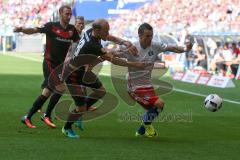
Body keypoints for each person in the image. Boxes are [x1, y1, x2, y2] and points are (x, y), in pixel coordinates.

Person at [61, 19, 144, 138]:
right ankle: (66, 128)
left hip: (84, 71)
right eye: (105, 31)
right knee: (81, 107)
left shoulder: (91, 32)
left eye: (108, 30)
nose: (107, 33)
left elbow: (110, 38)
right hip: (73, 75)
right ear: (97, 30)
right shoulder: (92, 45)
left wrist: (125, 42)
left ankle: (80, 112)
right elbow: (113, 59)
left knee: (101, 91)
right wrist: (134, 64)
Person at [114, 23, 193, 137]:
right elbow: (113, 54)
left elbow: (173, 48)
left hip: (148, 86)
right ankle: (146, 124)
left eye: (151, 35)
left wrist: (186, 48)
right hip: (135, 88)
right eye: (147, 36)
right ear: (140, 35)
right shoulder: (131, 48)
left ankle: (141, 131)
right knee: (159, 104)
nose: (150, 39)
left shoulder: (155, 45)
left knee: (155, 109)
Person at [14, 5, 80, 129]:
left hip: (60, 66)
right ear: (60, 13)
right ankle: (46, 115)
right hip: (49, 63)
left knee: (47, 92)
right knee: (60, 88)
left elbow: (77, 42)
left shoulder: (72, 30)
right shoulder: (51, 26)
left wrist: (72, 56)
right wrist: (21, 29)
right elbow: (34, 30)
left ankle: (27, 116)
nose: (69, 16)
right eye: (66, 14)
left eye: (70, 14)